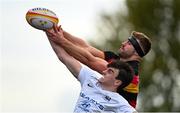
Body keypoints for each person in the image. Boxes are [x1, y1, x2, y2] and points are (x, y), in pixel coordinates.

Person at [45, 25, 151, 108]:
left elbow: (89, 60)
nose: (123, 43)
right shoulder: (115, 59)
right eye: (127, 40)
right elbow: (85, 47)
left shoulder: (130, 72)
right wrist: (55, 29)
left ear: (137, 53)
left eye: (129, 43)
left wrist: (61, 41)